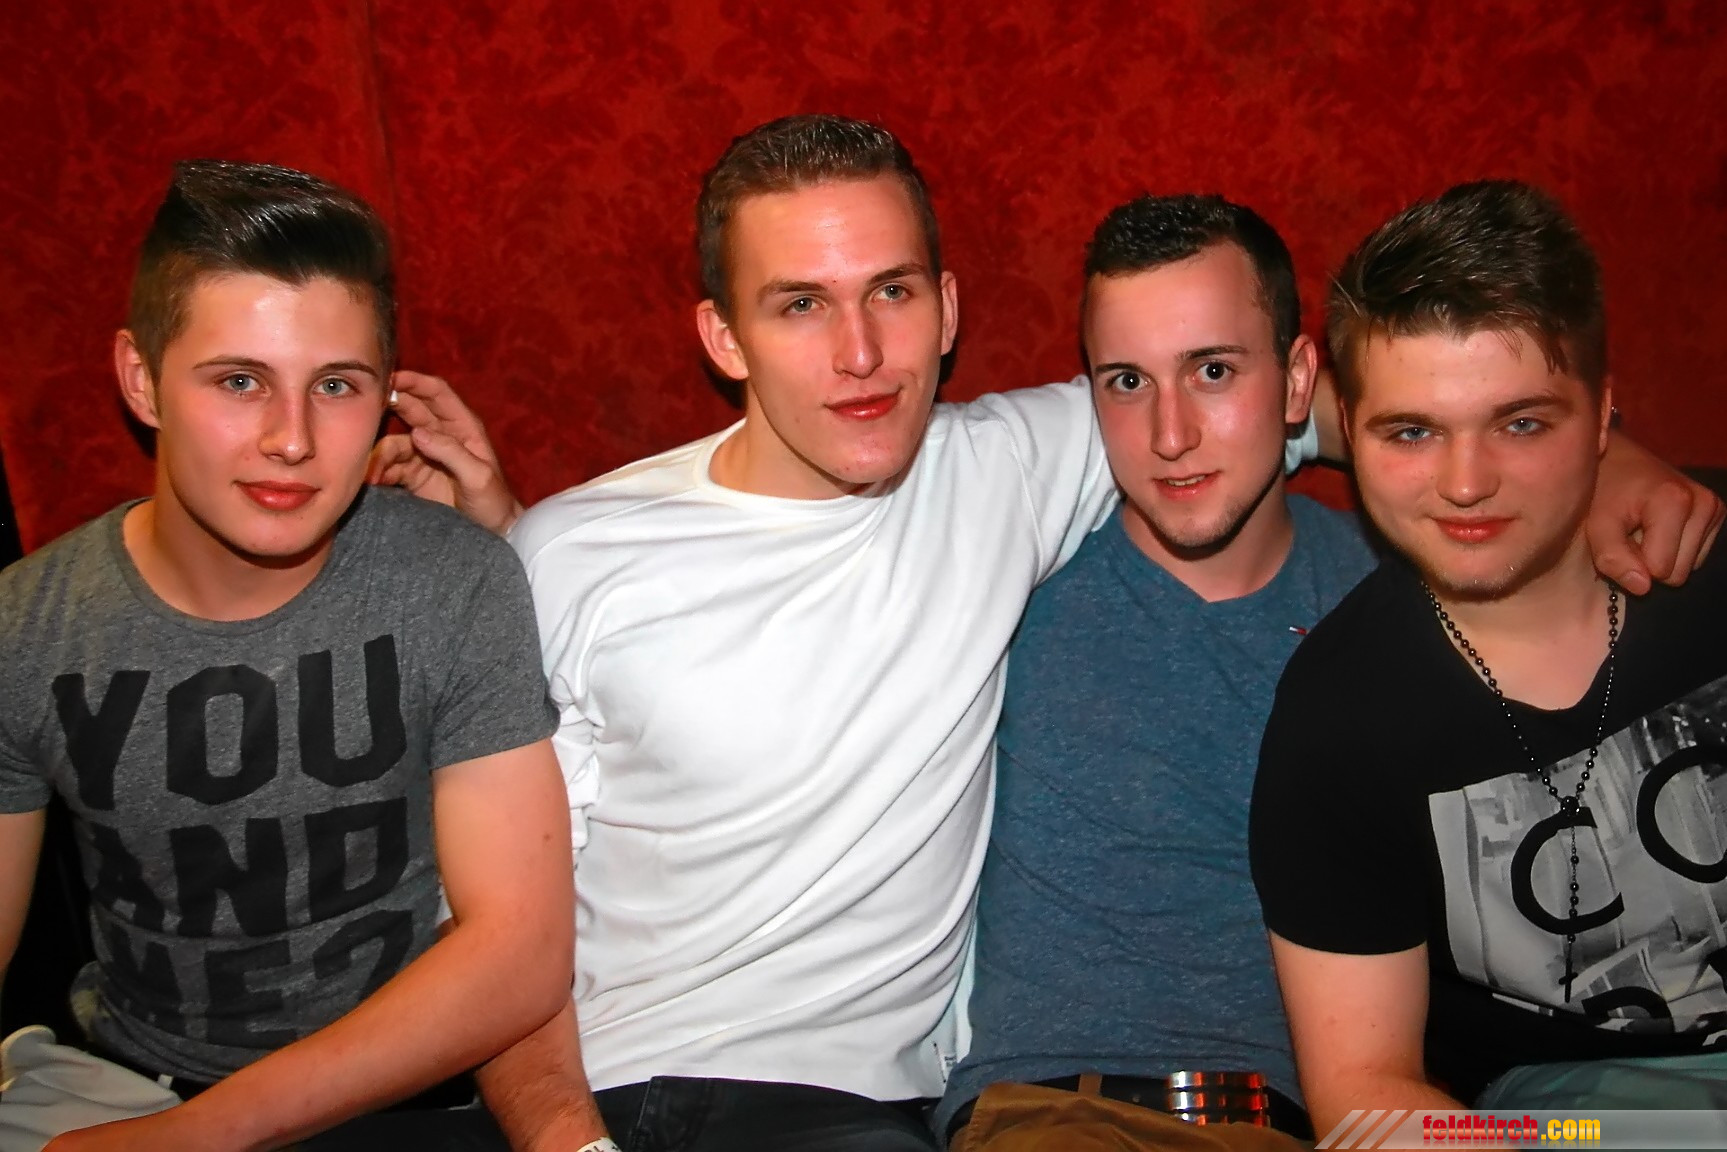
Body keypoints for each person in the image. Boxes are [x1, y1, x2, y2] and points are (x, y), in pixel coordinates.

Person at [370, 119, 1723, 1152]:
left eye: (890, 293)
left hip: (1171, 1117)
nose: (1169, 431)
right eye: (799, 304)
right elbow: (514, 891)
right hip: (959, 1111)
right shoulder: (604, 552)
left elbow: (1425, 408)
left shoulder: (1331, 585)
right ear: (723, 336)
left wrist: (1600, 457)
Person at [0, 160, 576, 1152]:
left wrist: (200, 1140)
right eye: (239, 381)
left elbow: (519, 955)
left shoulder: (454, 581)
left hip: (403, 1089)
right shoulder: (28, 623)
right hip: (117, 1085)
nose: (293, 439)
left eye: (337, 386)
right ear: (142, 379)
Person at [1250, 180, 1727, 1134]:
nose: (1465, 484)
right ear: (1351, 434)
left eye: (1520, 423)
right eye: (1412, 432)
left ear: (1603, 416)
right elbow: (1365, 1097)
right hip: (1566, 1126)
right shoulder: (1337, 724)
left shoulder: (1707, 562)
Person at [935, 194, 1369, 1152]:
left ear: (1297, 380)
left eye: (1213, 371)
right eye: (1127, 382)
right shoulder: (1012, 585)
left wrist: (1605, 468)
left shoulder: (1384, 605)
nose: (1170, 434)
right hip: (1052, 1113)